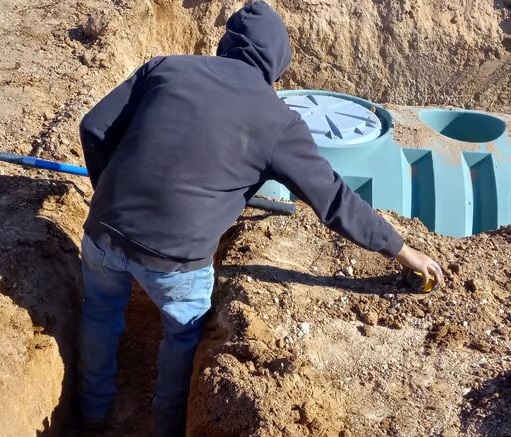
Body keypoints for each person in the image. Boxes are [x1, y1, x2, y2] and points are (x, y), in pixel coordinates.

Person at [76, 1, 443, 435]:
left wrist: (110, 194)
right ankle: (169, 426)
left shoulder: (165, 67)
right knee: (181, 337)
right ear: (277, 65)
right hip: (176, 260)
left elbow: (94, 127)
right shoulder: (277, 122)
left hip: (101, 234)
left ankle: (92, 412)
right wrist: (403, 251)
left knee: (99, 312)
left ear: (225, 44)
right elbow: (334, 200)